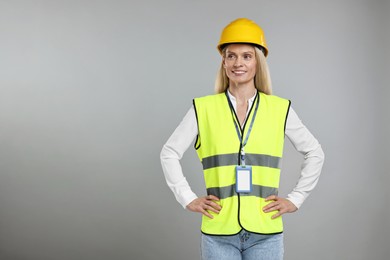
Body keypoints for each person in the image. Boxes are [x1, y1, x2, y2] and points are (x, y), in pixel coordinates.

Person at [160, 18, 324, 260]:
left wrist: (295, 199)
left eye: (247, 56)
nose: (238, 63)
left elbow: (315, 152)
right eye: (231, 56)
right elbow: (169, 153)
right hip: (218, 232)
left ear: (258, 62)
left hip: (265, 232)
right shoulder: (202, 108)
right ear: (223, 62)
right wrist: (187, 198)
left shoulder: (280, 108)